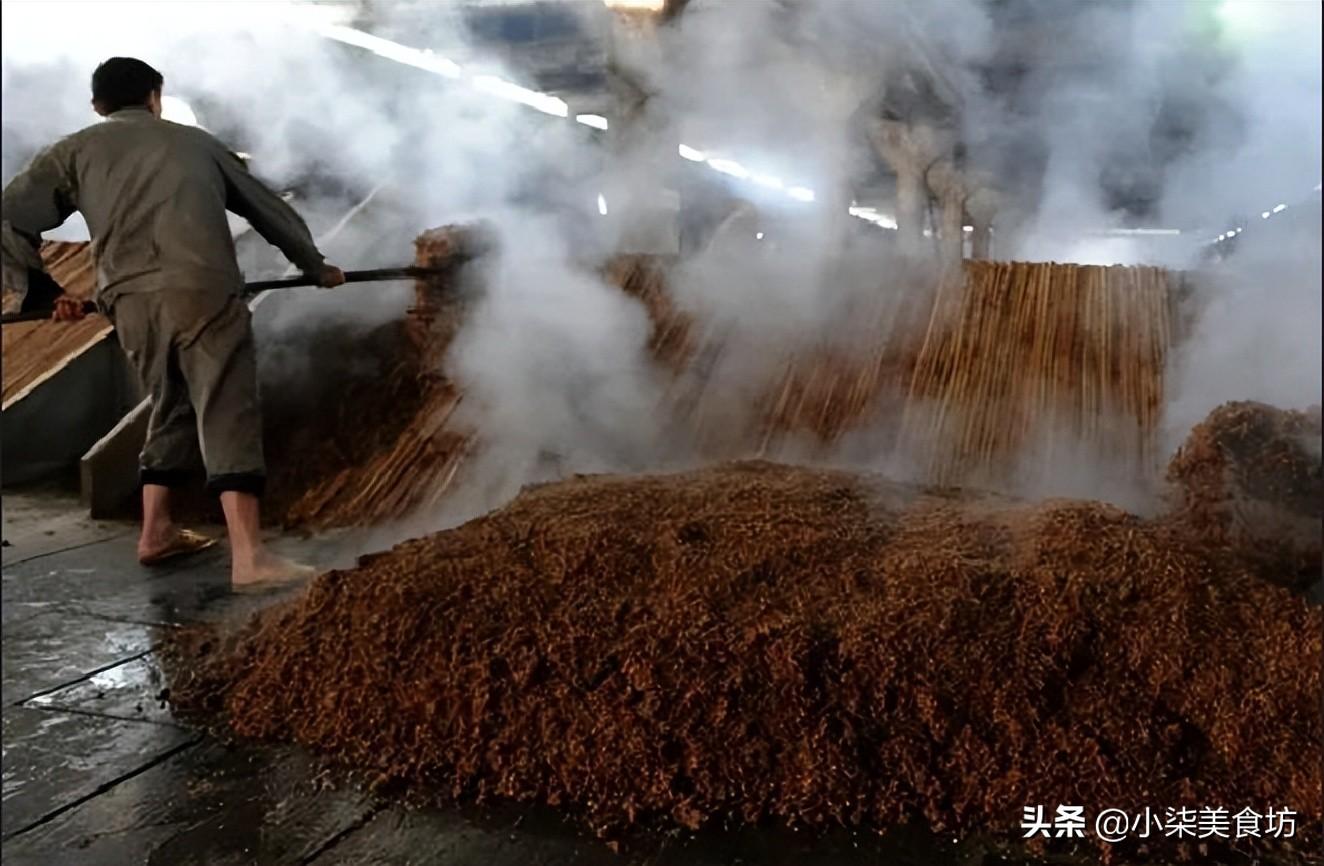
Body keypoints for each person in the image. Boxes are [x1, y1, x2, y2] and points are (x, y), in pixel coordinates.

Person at [1, 57, 346, 591]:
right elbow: (266, 209)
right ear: (156, 96)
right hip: (201, 290)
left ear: (98, 106)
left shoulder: (71, 152)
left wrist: (45, 292)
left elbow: (9, 216)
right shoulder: (197, 144)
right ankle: (250, 558)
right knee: (226, 405)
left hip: (127, 301)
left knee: (172, 403)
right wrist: (316, 267)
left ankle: (156, 531)